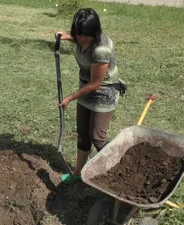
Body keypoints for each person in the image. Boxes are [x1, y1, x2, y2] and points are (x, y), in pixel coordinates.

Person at [55, 8, 126, 184]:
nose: (82, 38)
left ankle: (117, 172)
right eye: (78, 34)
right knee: (83, 134)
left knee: (97, 136)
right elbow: (79, 39)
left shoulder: (101, 49)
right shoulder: (81, 38)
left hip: (103, 93)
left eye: (86, 35)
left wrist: (70, 98)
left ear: (95, 31)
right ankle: (78, 172)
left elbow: (96, 84)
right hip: (86, 89)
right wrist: (66, 36)